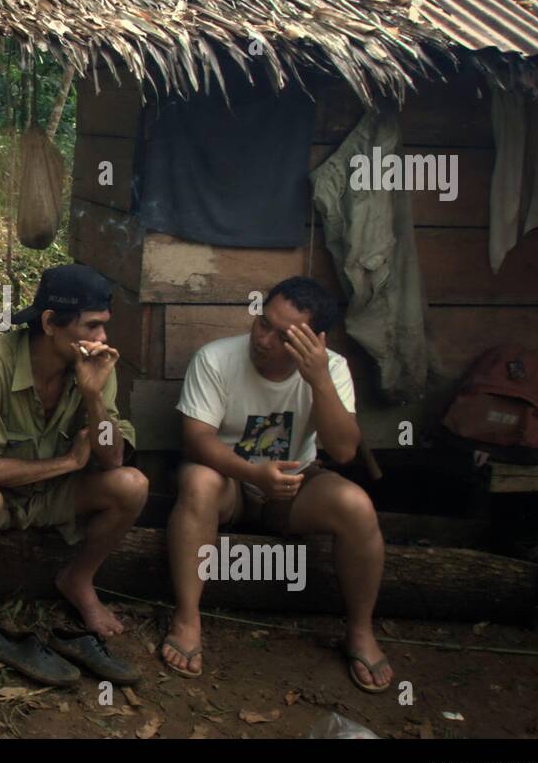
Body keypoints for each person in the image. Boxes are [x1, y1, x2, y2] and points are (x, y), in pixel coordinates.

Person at [163, 276, 394, 693]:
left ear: (314, 340)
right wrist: (253, 474)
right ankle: (187, 617)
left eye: (283, 335)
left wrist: (319, 380)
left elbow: (342, 451)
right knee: (197, 481)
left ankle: (360, 631)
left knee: (357, 505)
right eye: (263, 323)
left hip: (293, 486)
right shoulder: (216, 359)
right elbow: (196, 440)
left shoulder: (333, 370)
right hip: (229, 483)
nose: (264, 339)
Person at [0, 264, 149, 640]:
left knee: (133, 485)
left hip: (50, 494)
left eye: (104, 324)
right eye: (92, 326)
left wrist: (93, 397)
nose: (103, 336)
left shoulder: (96, 365)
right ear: (49, 323)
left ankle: (78, 580)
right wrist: (68, 462)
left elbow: (112, 459)